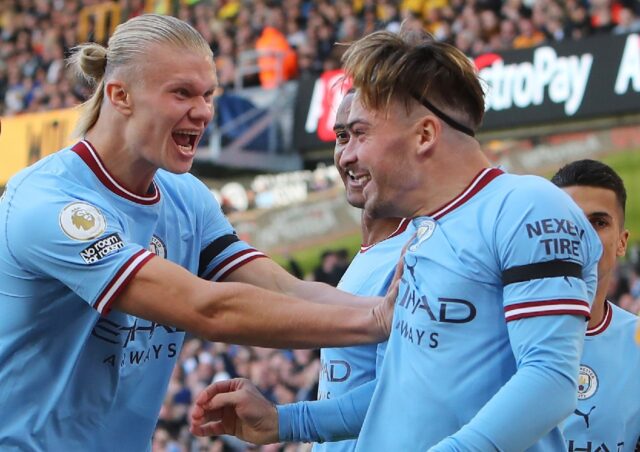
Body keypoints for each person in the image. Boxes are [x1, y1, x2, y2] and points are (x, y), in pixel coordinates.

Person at [189, 27, 602, 450]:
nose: (346, 155)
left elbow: (549, 381)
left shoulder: (526, 206)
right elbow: (402, 390)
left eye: (361, 133)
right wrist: (285, 421)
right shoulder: (426, 232)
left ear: (424, 135)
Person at [0, 15, 396, 452]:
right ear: (120, 96)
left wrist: (401, 312)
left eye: (208, 94)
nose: (204, 111)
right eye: (182, 93)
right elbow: (205, 309)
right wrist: (376, 320)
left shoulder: (186, 196)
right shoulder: (49, 202)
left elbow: (284, 288)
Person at [551, 160, 640, 451]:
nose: (583, 237)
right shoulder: (498, 334)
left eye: (599, 223)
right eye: (569, 221)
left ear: (622, 242)